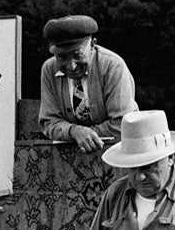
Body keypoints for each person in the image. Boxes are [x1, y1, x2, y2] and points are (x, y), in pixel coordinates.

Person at [39, 15, 137, 153]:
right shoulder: (49, 69)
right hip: (71, 157)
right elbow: (48, 122)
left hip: (118, 151)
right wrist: (74, 131)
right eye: (61, 57)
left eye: (77, 55)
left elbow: (122, 124)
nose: (71, 66)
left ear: (92, 45)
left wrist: (85, 135)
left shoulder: (112, 66)